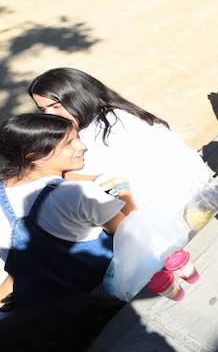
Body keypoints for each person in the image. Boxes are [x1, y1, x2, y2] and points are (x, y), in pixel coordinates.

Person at [28, 68, 213, 219]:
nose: (50, 115)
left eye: (56, 106)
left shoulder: (98, 131)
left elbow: (68, 178)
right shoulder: (117, 113)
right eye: (44, 109)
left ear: (77, 97)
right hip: (195, 188)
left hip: (177, 207)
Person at [0, 114, 132, 307]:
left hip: (49, 313)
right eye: (68, 143)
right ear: (33, 156)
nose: (82, 146)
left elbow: (22, 267)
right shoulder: (77, 193)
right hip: (108, 298)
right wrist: (124, 190)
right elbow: (132, 232)